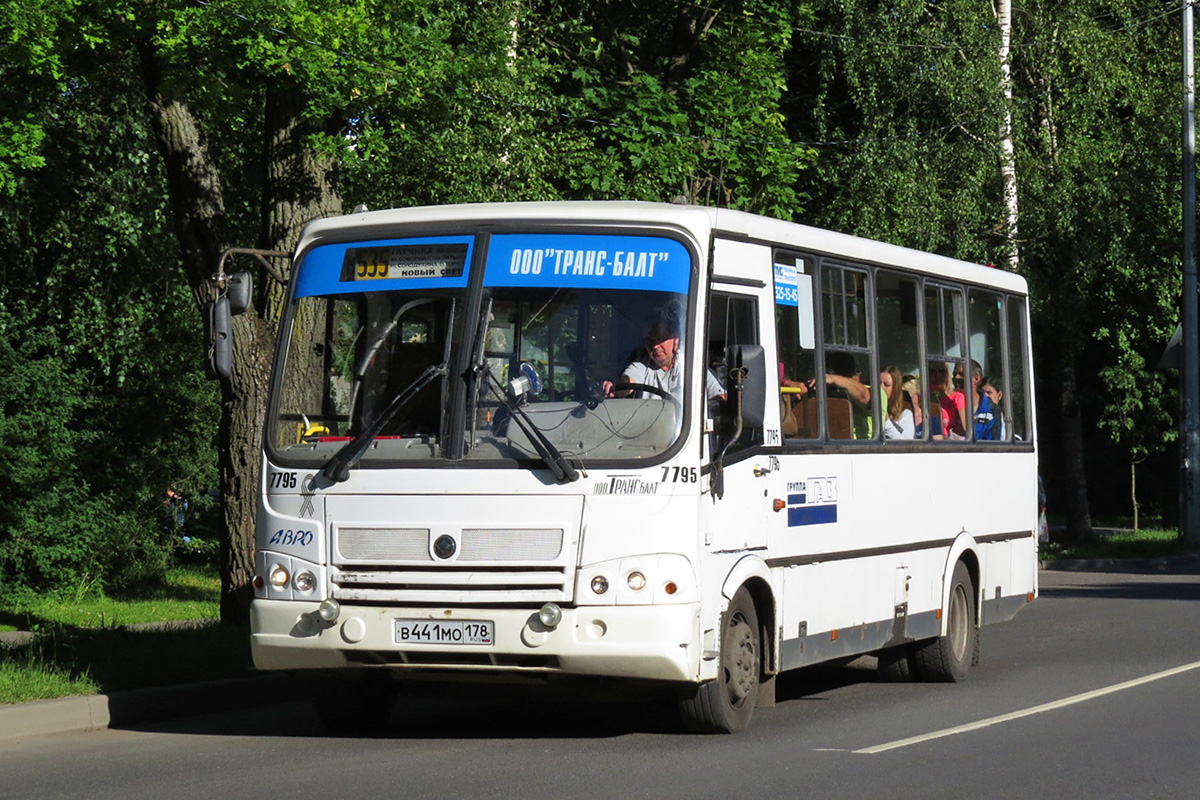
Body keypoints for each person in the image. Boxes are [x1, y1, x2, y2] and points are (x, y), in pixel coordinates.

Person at [604, 319, 725, 401]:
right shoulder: (641, 367)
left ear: (676, 340)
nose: (655, 346)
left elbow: (720, 397)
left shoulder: (693, 368)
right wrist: (616, 387)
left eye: (660, 338)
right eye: (650, 341)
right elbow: (627, 383)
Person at [880, 366, 915, 440]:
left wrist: (886, 421)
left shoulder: (905, 413)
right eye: (878, 383)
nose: (881, 388)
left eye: (887, 385)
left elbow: (906, 443)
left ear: (895, 389)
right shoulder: (869, 408)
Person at [980, 374, 1007, 441]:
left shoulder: (1010, 419)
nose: (985, 396)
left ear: (999, 395)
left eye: (989, 392)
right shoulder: (977, 416)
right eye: (982, 392)